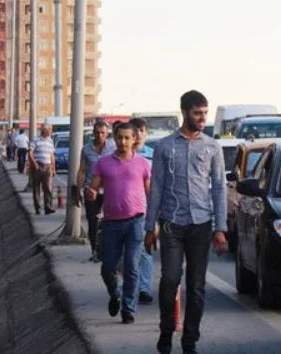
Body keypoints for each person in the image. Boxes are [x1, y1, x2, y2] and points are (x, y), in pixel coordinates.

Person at [145, 90, 227, 354]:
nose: (202, 118)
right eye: (197, 113)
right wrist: (149, 227)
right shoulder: (164, 147)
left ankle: (190, 340)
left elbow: (219, 188)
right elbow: (156, 187)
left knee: (197, 286)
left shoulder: (212, 147)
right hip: (171, 224)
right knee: (170, 280)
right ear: (185, 112)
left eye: (205, 112)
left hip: (201, 225)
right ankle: (167, 330)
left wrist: (220, 228)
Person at [86, 122, 152, 324]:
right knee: (108, 268)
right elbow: (94, 188)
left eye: (127, 138)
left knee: (132, 266)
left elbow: (150, 194)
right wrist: (92, 193)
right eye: (119, 137)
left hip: (136, 222)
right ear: (114, 139)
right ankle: (115, 293)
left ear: (134, 140)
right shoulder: (103, 163)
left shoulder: (143, 164)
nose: (123, 142)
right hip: (111, 223)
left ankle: (128, 308)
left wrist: (153, 222)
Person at [75, 121, 115, 262]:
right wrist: (77, 191)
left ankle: (107, 252)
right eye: (97, 132)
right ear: (93, 133)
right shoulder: (86, 149)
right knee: (93, 222)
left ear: (107, 134)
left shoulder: (113, 147)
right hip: (90, 190)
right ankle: (95, 252)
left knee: (107, 223)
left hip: (110, 191)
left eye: (103, 133)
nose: (100, 135)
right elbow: (82, 171)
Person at [129, 117, 155, 304]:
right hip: (122, 211)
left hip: (145, 210)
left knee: (145, 251)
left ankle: (144, 289)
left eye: (141, 130)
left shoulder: (154, 156)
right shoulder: (118, 156)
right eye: (135, 130)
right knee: (126, 254)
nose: (138, 134)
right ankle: (129, 286)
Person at [28, 124, 56, 215]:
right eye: (50, 130)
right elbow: (30, 153)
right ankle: (37, 208)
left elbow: (52, 156)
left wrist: (53, 168)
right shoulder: (35, 140)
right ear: (44, 131)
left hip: (47, 166)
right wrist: (34, 163)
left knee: (48, 187)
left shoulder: (50, 141)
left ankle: (48, 207)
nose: (50, 132)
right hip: (38, 166)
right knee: (36, 188)